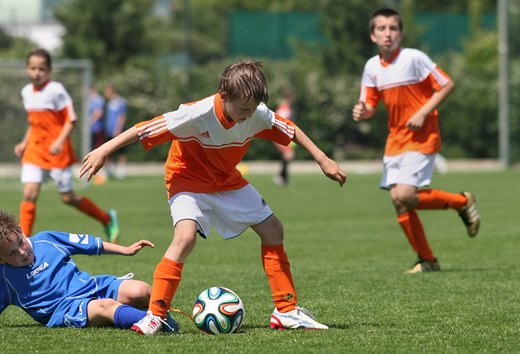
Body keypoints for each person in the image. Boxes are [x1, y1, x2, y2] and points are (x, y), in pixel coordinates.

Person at [80, 59, 347, 335]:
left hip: (226, 179)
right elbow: (144, 129)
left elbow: (290, 129)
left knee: (273, 230)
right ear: (225, 95)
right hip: (187, 178)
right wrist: (103, 150)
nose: (248, 114)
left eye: (253, 107)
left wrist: (322, 159)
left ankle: (286, 311)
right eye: (243, 108)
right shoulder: (196, 113)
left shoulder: (257, 112)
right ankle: (155, 316)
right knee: (185, 238)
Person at [351, 8, 481, 273]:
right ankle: (428, 259)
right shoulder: (372, 67)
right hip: (395, 139)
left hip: (422, 136)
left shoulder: (413, 58)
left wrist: (422, 112)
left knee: (405, 194)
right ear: (373, 36)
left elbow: (446, 84)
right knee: (399, 200)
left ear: (401, 33)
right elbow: (370, 103)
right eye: (381, 29)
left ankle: (461, 202)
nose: (388, 33)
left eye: (393, 28)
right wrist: (363, 110)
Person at [0, 210, 178, 332]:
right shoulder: (2, 278)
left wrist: (126, 250)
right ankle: (161, 325)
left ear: (21, 231)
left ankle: (155, 317)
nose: (21, 252)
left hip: (92, 286)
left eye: (20, 242)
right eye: (11, 253)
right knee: (106, 307)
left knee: (142, 290)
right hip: (66, 308)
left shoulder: (46, 240)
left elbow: (88, 244)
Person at [14, 48, 119, 243]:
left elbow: (71, 119)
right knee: (29, 193)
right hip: (35, 150)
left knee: (68, 198)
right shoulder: (26, 92)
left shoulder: (56, 90)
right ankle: (24, 242)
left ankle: (106, 218)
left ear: (50, 70)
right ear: (28, 69)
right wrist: (24, 142)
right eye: (33, 68)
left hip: (57, 152)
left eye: (42, 69)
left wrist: (59, 141)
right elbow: (34, 123)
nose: (37, 73)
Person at [102, 84, 128, 180]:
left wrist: (118, 128)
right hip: (109, 130)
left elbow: (121, 116)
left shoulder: (121, 102)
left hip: (118, 131)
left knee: (121, 151)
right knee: (109, 151)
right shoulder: (109, 103)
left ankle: (121, 171)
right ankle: (110, 171)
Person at [273, 88, 296, 186]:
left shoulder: (284, 107)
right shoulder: (284, 109)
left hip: (282, 137)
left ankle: (282, 177)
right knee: (289, 156)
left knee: (287, 156)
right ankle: (281, 177)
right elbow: (278, 123)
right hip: (281, 137)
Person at [88, 87, 108, 185]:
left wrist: (90, 121)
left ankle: (102, 174)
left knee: (99, 150)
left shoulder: (97, 100)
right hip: (92, 130)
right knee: (92, 150)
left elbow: (99, 113)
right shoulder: (91, 100)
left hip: (98, 129)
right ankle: (93, 171)